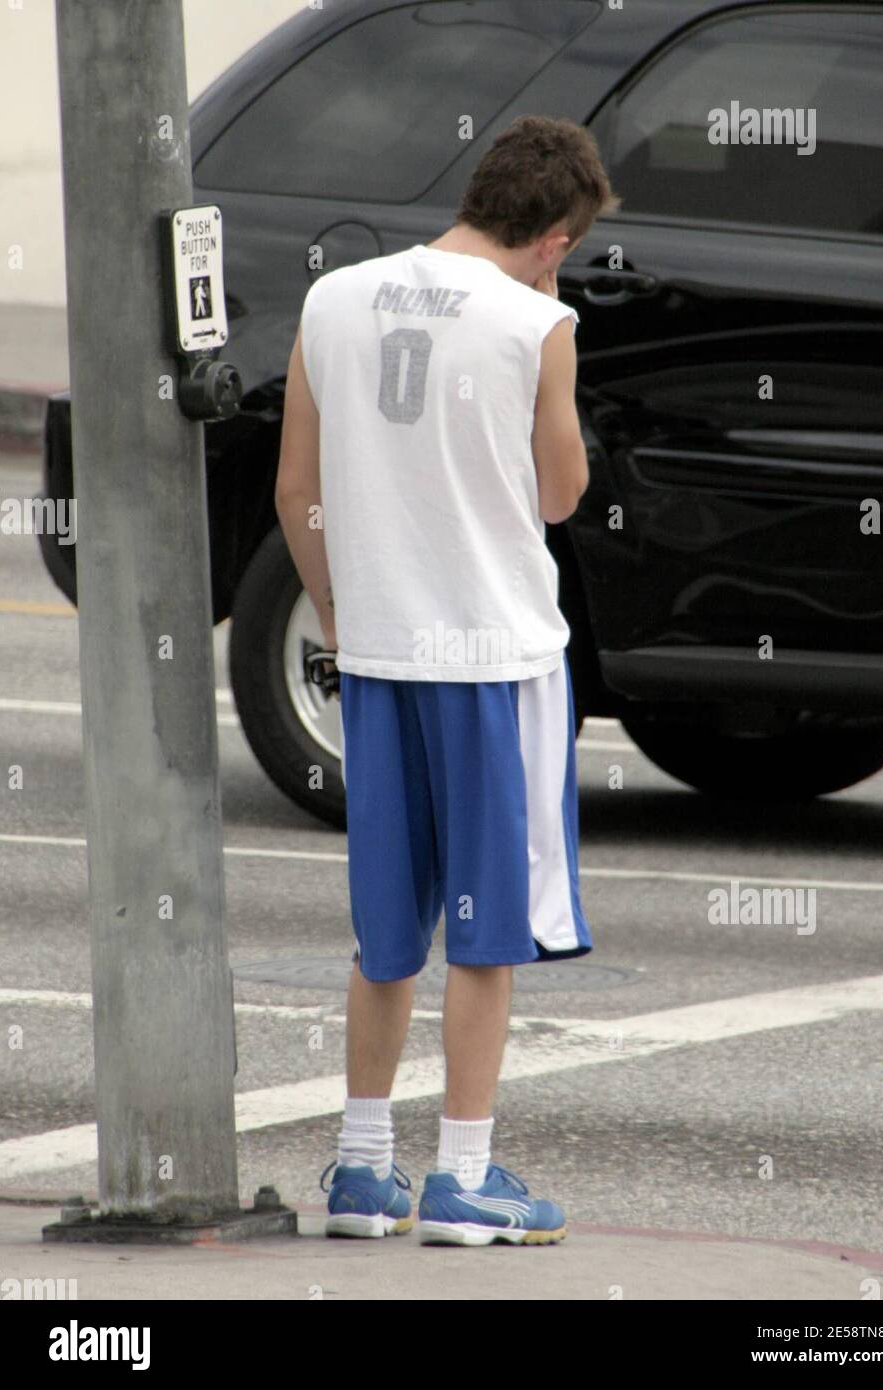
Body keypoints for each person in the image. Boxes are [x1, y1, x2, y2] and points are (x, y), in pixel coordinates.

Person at [275, 114, 619, 1246]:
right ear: (554, 238)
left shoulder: (335, 300)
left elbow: (295, 491)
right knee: (489, 926)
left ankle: (361, 1166)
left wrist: (338, 614)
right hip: (493, 655)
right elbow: (562, 493)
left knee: (386, 930)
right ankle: (463, 1174)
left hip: (376, 654)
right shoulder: (538, 321)